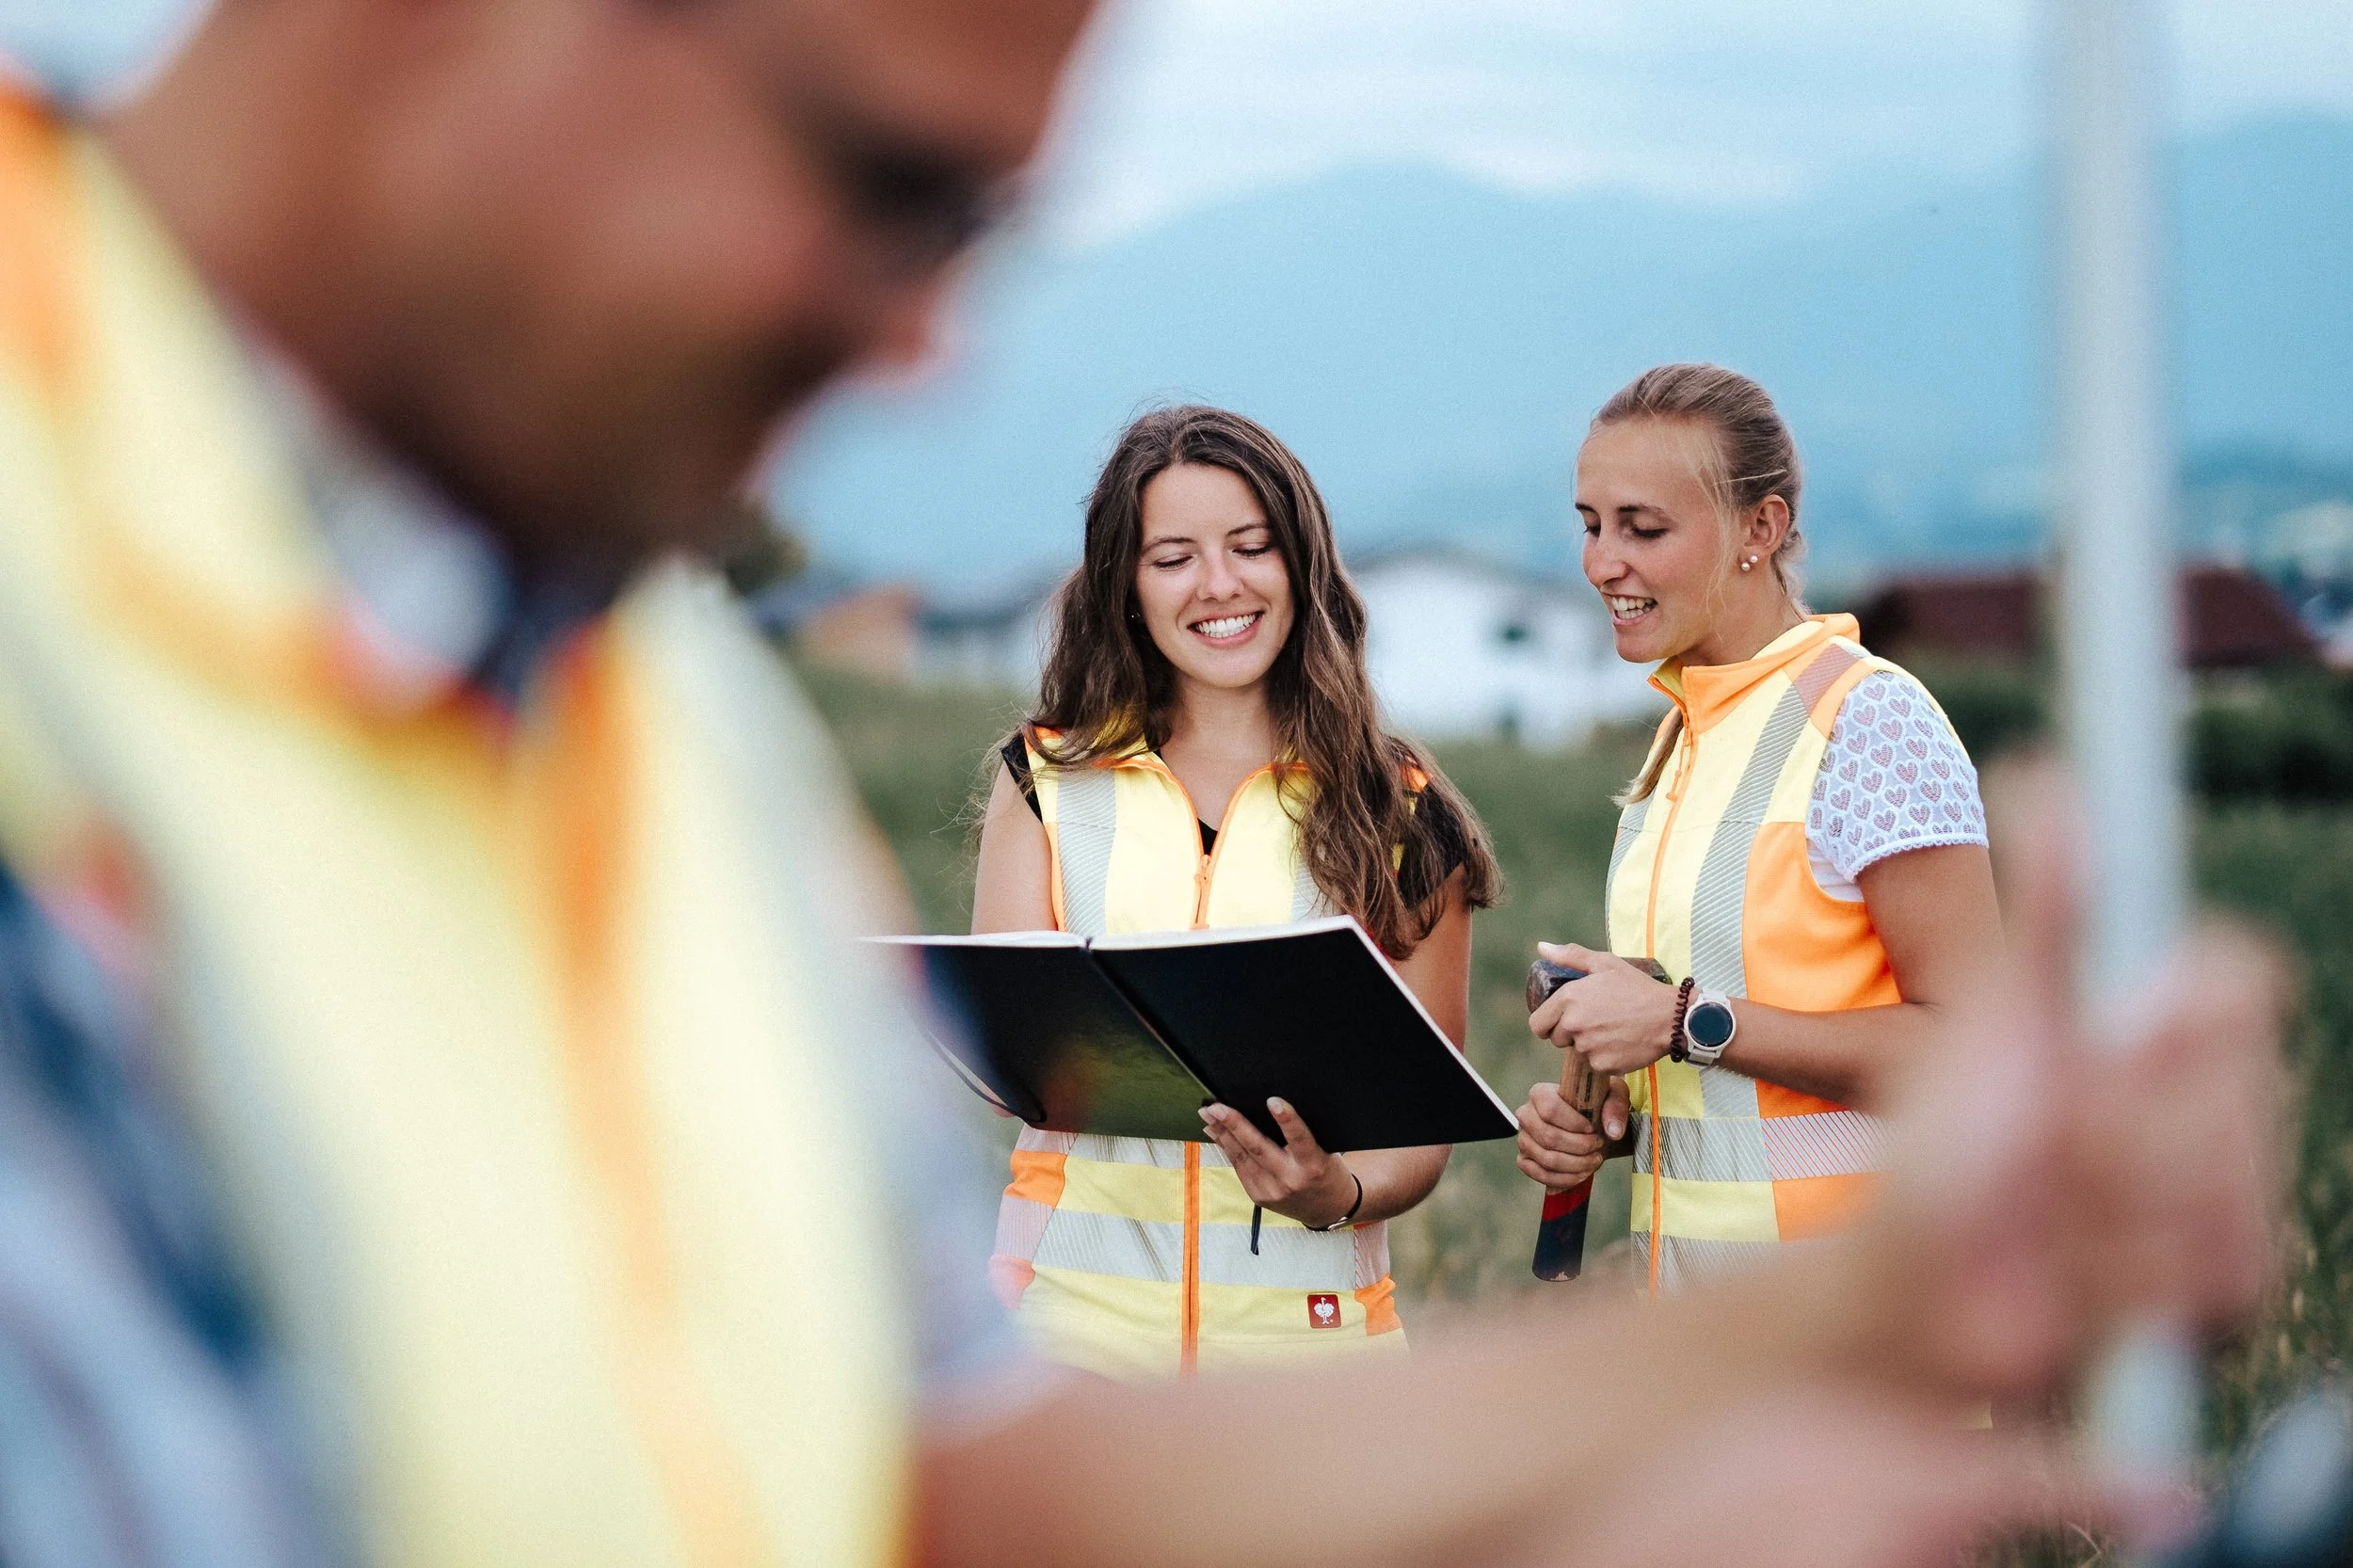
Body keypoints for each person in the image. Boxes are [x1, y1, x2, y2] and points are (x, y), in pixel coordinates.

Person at [0, 4, 2289, 1566]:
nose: (924, 348)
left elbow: (959, 1489)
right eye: (884, 180)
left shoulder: (656, 716)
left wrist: (1828, 1335)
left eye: (979, 228)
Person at [970, 405, 1499, 1379]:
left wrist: (1332, 1191)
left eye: (1250, 546)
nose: (1219, 585)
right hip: (1062, 1343)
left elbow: (1423, 1133)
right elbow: (1015, 1062)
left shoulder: (1400, 811)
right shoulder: (1042, 780)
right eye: (1171, 557)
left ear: (1299, 561)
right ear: (1125, 588)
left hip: (1312, 1356)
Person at [1513, 364, 2005, 1293]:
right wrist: (1612, 1120)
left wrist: (1676, 1020)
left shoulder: (1870, 722)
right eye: (1590, 524)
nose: (1600, 562)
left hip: (1867, 1327)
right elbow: (1741, 1082)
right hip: (1709, 1339)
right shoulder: (1683, 737)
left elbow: (1976, 1052)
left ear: (1761, 528)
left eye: (1642, 528)